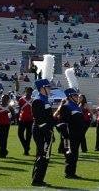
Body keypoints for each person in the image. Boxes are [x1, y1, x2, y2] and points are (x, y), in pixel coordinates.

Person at [31, 56, 57, 187]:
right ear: (42, 88)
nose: (50, 89)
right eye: (48, 87)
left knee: (45, 156)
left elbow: (50, 118)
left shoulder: (45, 100)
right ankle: (37, 179)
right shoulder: (38, 100)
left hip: (46, 131)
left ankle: (39, 178)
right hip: (41, 131)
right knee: (42, 154)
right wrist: (47, 131)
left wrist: (54, 125)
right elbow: (39, 119)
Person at [55, 72, 86, 180]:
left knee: (75, 155)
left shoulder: (76, 106)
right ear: (70, 96)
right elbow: (61, 122)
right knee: (70, 155)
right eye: (75, 95)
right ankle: (68, 173)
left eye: (77, 95)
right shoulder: (66, 106)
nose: (77, 97)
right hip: (69, 135)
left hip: (77, 134)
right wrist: (66, 135)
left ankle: (72, 172)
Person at [0, 94, 13, 158]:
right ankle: (4, 150)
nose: (4, 99)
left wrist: (10, 120)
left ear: (8, 100)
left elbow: (14, 114)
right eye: (3, 98)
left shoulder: (9, 107)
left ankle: (2, 154)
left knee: (4, 139)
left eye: (6, 98)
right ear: (1, 98)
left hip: (6, 124)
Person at [17, 87, 34, 156]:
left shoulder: (33, 100)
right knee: (20, 134)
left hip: (30, 119)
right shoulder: (21, 99)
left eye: (30, 91)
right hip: (22, 119)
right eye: (28, 91)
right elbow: (19, 109)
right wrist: (17, 117)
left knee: (28, 135)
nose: (29, 93)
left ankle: (26, 151)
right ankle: (26, 146)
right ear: (26, 91)